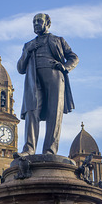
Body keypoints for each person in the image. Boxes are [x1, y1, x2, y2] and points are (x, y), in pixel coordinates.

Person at [14, 13, 79, 158]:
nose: (36, 23)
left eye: (39, 21)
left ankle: (49, 151)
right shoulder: (28, 45)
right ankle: (29, 149)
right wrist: (27, 50)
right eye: (34, 21)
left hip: (55, 76)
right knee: (32, 111)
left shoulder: (58, 40)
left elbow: (74, 57)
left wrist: (65, 67)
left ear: (47, 23)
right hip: (34, 79)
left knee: (54, 114)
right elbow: (20, 68)